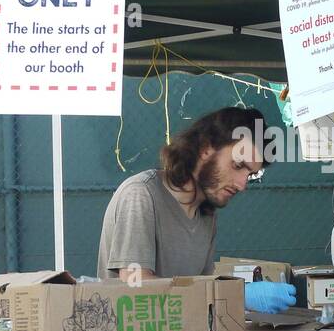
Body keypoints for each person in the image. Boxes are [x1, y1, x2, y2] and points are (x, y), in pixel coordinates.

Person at [97, 106, 296, 313]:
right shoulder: (141, 195)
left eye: (250, 175)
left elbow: (201, 294)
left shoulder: (205, 215)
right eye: (237, 166)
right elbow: (136, 287)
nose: (241, 184)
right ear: (205, 148)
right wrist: (238, 296)